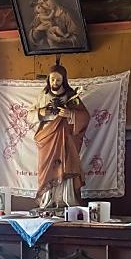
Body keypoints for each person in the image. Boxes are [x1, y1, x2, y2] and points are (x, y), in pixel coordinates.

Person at [33, 63, 89, 209]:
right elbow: (29, 115)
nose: (55, 82)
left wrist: (70, 114)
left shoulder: (71, 96)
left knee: (65, 166)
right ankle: (48, 200)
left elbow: (85, 116)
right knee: (46, 168)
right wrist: (40, 113)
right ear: (48, 79)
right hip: (47, 138)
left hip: (65, 138)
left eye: (58, 80)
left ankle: (65, 200)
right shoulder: (43, 96)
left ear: (64, 80)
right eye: (52, 79)